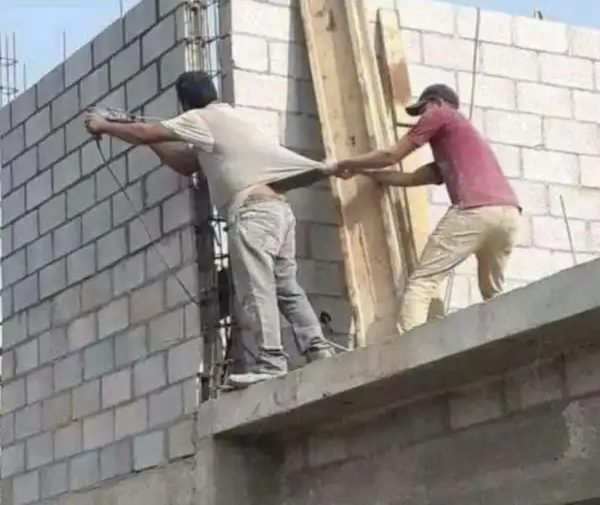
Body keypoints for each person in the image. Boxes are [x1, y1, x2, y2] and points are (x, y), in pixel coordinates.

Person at [84, 70, 333, 388]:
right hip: (278, 212)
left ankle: (272, 362)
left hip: (252, 214)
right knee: (286, 287)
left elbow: (147, 132)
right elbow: (188, 163)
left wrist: (104, 125)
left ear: (185, 103)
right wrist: (152, 142)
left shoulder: (200, 118)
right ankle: (318, 349)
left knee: (257, 287)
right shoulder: (228, 119)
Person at [329, 83, 521, 333]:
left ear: (438, 103)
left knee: (423, 281)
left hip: (475, 209)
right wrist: (361, 171)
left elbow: (391, 156)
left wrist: (345, 163)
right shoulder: (462, 145)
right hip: (509, 214)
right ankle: (506, 336)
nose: (422, 116)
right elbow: (409, 179)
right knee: (492, 292)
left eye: (423, 109)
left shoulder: (441, 113)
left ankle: (410, 346)